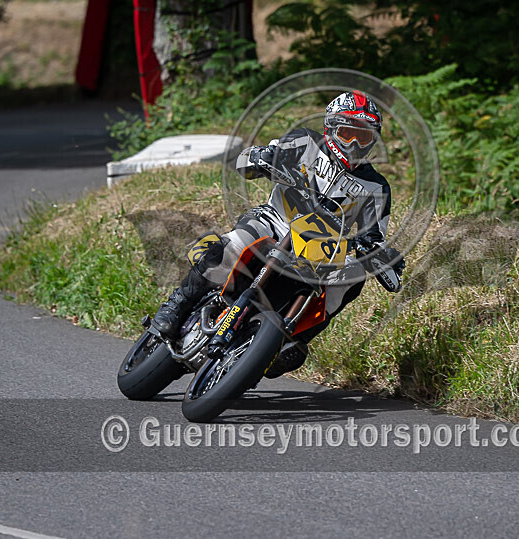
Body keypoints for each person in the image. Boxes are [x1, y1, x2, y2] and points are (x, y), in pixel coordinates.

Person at [150, 90, 404, 377]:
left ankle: (292, 339)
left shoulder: (376, 187)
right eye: (348, 133)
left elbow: (376, 237)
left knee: (352, 281)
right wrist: (263, 158)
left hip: (320, 252)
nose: (356, 142)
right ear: (331, 128)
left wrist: (382, 256)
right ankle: (176, 305)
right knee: (225, 247)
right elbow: (248, 160)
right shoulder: (305, 141)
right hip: (274, 222)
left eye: (365, 135)